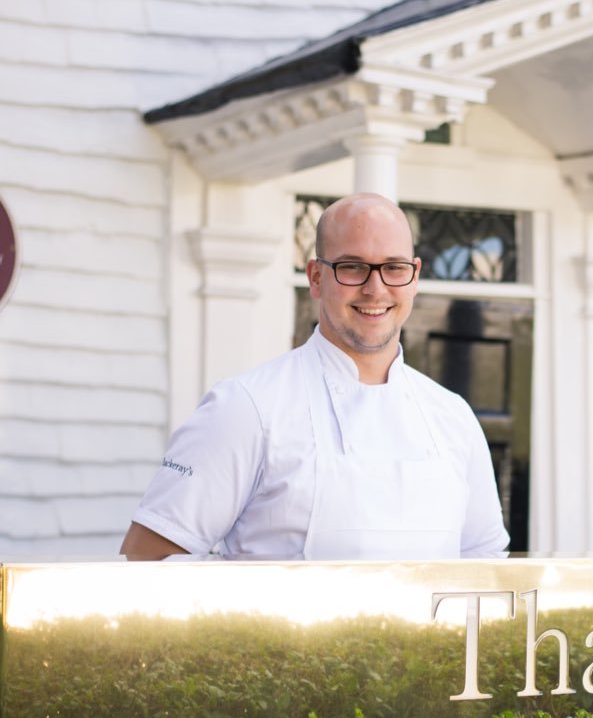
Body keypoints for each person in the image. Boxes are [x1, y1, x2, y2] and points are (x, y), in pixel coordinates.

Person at [120, 193, 509, 561]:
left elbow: (484, 565)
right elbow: (147, 560)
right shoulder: (245, 407)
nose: (376, 289)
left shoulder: (452, 416)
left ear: (415, 276)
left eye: (394, 268)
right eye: (352, 267)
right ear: (316, 278)